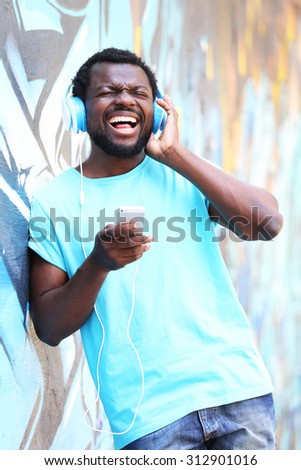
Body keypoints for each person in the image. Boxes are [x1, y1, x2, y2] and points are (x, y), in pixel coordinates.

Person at [28, 47, 283, 450]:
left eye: (138, 93)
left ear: (158, 111)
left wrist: (173, 154)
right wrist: (98, 263)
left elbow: (267, 223)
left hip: (237, 396)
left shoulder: (185, 174)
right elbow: (49, 326)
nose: (125, 99)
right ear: (78, 110)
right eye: (109, 91)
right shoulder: (52, 202)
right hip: (148, 423)